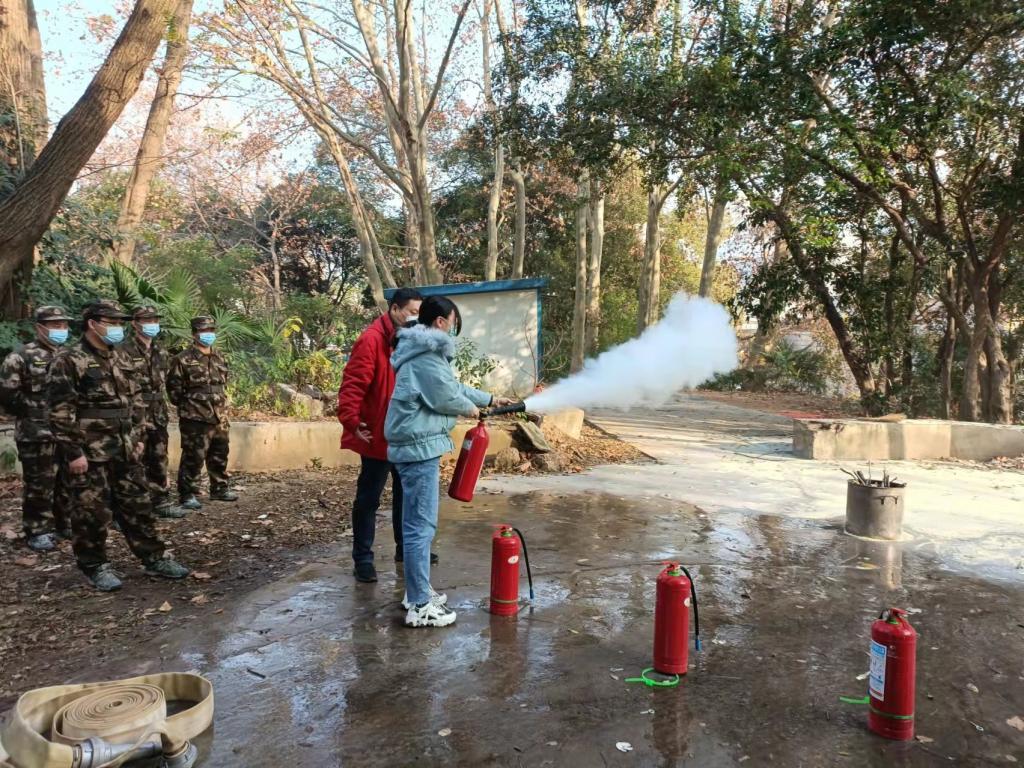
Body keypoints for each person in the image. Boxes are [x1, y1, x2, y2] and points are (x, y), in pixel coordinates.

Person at [385, 295, 513, 628]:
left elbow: (450, 385)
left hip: (416, 445)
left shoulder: (421, 351)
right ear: (441, 322)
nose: (454, 329)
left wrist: (489, 398)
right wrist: (472, 410)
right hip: (418, 448)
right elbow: (445, 396)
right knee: (420, 526)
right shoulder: (426, 355)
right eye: (453, 323)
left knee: (416, 525)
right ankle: (419, 605)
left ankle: (417, 590)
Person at [48, 300, 189, 591]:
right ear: (92, 323)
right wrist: (74, 453)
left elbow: (136, 402)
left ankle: (154, 557)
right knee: (91, 512)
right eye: (111, 322)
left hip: (125, 447)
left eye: (119, 323)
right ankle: (95, 566)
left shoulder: (122, 357)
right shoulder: (69, 360)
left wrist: (138, 438)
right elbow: (60, 411)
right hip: (89, 452)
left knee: (138, 504)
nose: (117, 328)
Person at [337, 287, 422, 583]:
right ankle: (362, 559)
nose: (415, 318)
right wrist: (351, 420)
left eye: (419, 313)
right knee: (369, 498)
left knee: (405, 495)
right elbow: (353, 384)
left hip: (404, 432)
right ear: (395, 309)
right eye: (412, 312)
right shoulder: (372, 339)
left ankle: (405, 550)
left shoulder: (409, 338)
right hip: (378, 434)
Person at [0, 306, 74, 551]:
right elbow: (7, 395)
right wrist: (37, 411)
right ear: (39, 327)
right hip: (35, 432)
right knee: (40, 483)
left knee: (67, 480)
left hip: (66, 431)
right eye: (54, 325)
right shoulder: (20, 357)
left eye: (63, 325)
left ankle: (64, 523)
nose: (60, 329)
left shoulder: (69, 355)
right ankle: (38, 530)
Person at [166, 316, 237, 510]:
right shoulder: (182, 359)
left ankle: (219, 488)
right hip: (195, 416)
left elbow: (223, 383)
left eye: (211, 330)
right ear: (194, 334)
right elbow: (174, 391)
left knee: (220, 452)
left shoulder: (219, 356)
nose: (208, 334)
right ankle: (188, 494)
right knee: (193, 456)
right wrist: (192, 406)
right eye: (203, 331)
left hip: (220, 415)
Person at [122, 306, 182, 518]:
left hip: (157, 412)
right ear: (134, 323)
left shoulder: (161, 351)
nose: (152, 324)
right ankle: (130, 507)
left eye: (155, 320)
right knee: (132, 458)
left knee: (159, 456)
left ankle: (160, 501)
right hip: (134, 411)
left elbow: (168, 382)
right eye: (147, 320)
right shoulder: (123, 350)